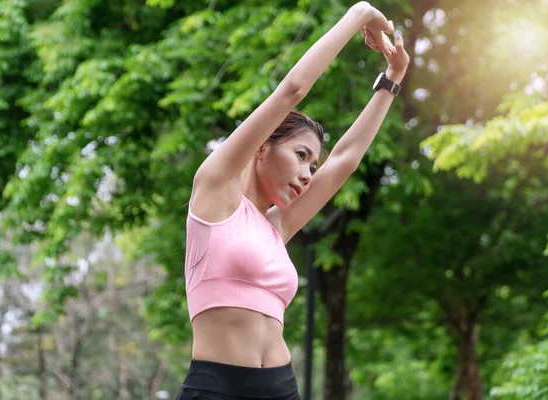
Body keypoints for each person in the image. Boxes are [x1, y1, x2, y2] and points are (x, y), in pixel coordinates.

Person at [176, 1, 410, 399]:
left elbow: (345, 161)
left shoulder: (276, 225)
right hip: (216, 388)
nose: (308, 174)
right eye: (301, 156)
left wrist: (393, 76)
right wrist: (359, 15)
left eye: (311, 165)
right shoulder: (213, 191)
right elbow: (293, 90)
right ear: (262, 147)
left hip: (282, 388)